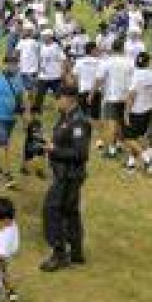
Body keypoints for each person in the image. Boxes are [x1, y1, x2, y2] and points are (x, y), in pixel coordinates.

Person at [40, 86, 92, 272]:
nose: (56, 101)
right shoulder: (66, 117)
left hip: (69, 175)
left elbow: (81, 153)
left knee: (51, 210)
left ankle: (59, 254)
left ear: (69, 99)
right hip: (64, 173)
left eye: (59, 98)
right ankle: (76, 252)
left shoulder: (78, 122)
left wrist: (54, 150)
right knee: (70, 212)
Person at [0, 54, 25, 187]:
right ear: (5, 64)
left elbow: (20, 95)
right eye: (11, 64)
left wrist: (23, 114)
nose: (13, 67)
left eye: (15, 64)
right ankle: (7, 174)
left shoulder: (18, 78)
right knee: (4, 142)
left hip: (11, 117)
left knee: (2, 141)